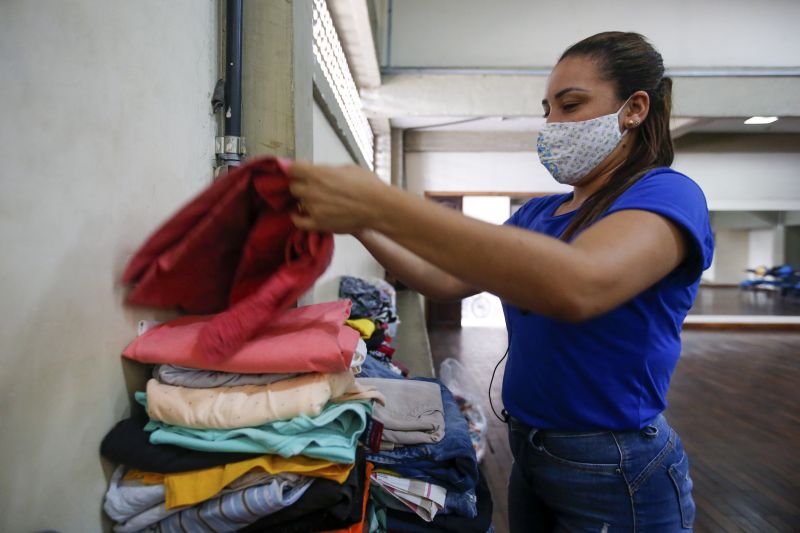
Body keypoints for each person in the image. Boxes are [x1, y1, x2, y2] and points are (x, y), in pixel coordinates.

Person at [288, 31, 712, 532]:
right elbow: (441, 279)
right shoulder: (540, 212)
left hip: (615, 463)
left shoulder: (667, 195)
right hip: (531, 450)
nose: (552, 123)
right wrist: (360, 224)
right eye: (547, 109)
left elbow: (578, 285)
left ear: (635, 108)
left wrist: (384, 204)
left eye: (570, 105)